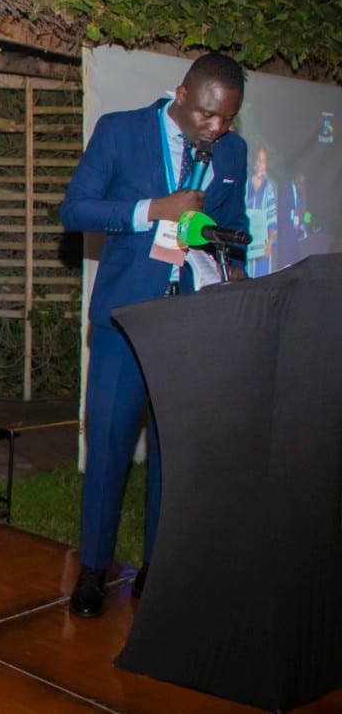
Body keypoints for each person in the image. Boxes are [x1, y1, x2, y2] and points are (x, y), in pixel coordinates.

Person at [60, 51, 249, 617]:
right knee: (109, 446)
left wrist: (229, 263)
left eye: (227, 118)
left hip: (193, 322)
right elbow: (76, 210)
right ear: (182, 95)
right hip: (125, 320)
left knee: (174, 451)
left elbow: (235, 228)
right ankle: (94, 570)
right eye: (207, 114)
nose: (215, 128)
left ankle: (156, 566)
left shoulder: (232, 151)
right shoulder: (120, 131)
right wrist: (154, 210)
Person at [245, 146, 278, 277]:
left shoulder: (269, 186)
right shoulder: (245, 183)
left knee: (261, 279)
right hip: (247, 240)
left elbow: (272, 217)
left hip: (262, 244)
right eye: (259, 160)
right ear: (254, 162)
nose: (261, 164)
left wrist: (270, 243)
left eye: (264, 161)